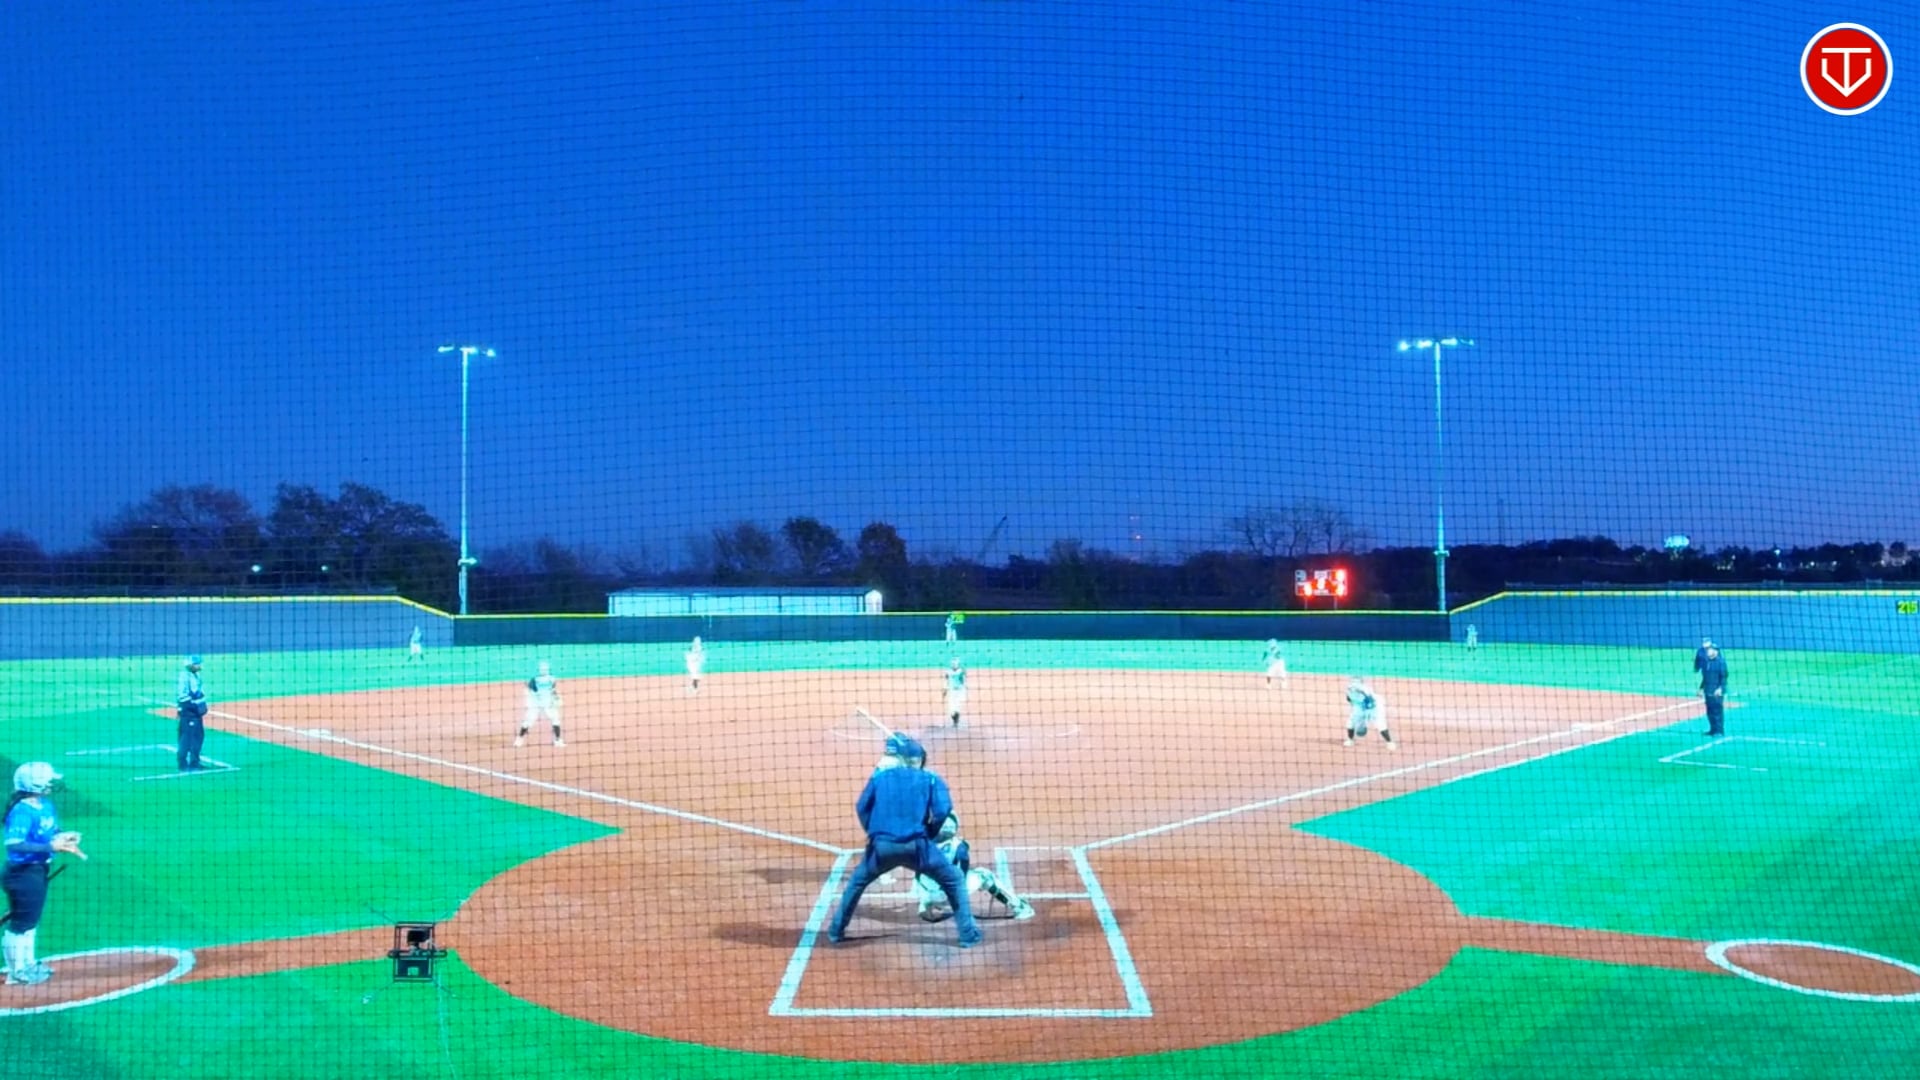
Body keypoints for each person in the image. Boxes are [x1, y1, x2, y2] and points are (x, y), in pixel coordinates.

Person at [825, 734, 980, 948]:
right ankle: (968, 935)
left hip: (881, 848)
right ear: (921, 759)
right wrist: (931, 832)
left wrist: (874, 832)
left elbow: (861, 806)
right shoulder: (930, 779)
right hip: (917, 847)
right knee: (953, 879)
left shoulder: (880, 777)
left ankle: (836, 931)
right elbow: (942, 810)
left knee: (856, 883)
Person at [5, 762, 85, 987]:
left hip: (38, 870)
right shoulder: (21, 811)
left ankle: (28, 964)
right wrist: (51, 847)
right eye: (48, 780)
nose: (52, 784)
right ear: (36, 784)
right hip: (22, 873)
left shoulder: (46, 805)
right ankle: (16, 972)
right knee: (21, 924)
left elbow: (51, 831)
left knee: (31, 920)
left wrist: (64, 837)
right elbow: (14, 844)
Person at [915, 811, 1035, 923]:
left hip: (925, 891)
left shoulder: (921, 843)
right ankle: (1020, 907)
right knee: (984, 875)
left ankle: (925, 904)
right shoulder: (959, 846)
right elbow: (962, 874)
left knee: (925, 875)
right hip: (947, 895)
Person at [516, 661, 564, 748]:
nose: (544, 671)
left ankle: (558, 740)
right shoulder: (534, 679)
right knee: (528, 721)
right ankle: (519, 739)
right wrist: (529, 700)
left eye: (545, 669)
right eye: (542, 669)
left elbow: (553, 690)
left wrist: (557, 698)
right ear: (539, 670)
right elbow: (530, 690)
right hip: (536, 703)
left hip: (548, 703)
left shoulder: (552, 679)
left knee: (556, 719)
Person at [176, 655, 209, 772]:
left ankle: (195, 762)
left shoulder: (196, 675)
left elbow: (199, 693)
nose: (199, 666)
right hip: (188, 711)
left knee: (198, 736)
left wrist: (202, 704)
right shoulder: (184, 677)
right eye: (197, 663)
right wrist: (195, 706)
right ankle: (183, 764)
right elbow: (183, 696)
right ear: (191, 665)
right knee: (186, 737)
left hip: (195, 712)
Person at [1345, 677, 1396, 750]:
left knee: (1379, 723)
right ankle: (1350, 740)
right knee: (1351, 722)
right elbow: (1348, 699)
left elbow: (1370, 703)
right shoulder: (1349, 688)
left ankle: (1390, 742)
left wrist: (1366, 715)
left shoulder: (1364, 690)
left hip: (1375, 706)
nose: (1353, 685)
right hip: (1360, 705)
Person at [1700, 645, 1729, 736]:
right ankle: (1712, 729)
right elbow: (1705, 678)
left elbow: (1724, 677)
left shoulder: (1721, 662)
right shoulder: (1706, 662)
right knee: (1710, 711)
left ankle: (1719, 730)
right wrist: (1701, 689)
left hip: (1717, 692)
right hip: (1708, 690)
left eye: (1710, 650)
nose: (1708, 651)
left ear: (1716, 651)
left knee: (1717, 711)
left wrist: (1721, 689)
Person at [944, 658, 968, 727]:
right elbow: (946, 681)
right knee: (951, 709)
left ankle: (956, 721)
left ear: (958, 664)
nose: (954, 665)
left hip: (959, 691)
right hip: (951, 691)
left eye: (955, 663)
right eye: (952, 663)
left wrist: (964, 690)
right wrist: (945, 689)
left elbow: (964, 681)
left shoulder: (961, 671)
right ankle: (955, 719)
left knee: (957, 706)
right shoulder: (948, 672)